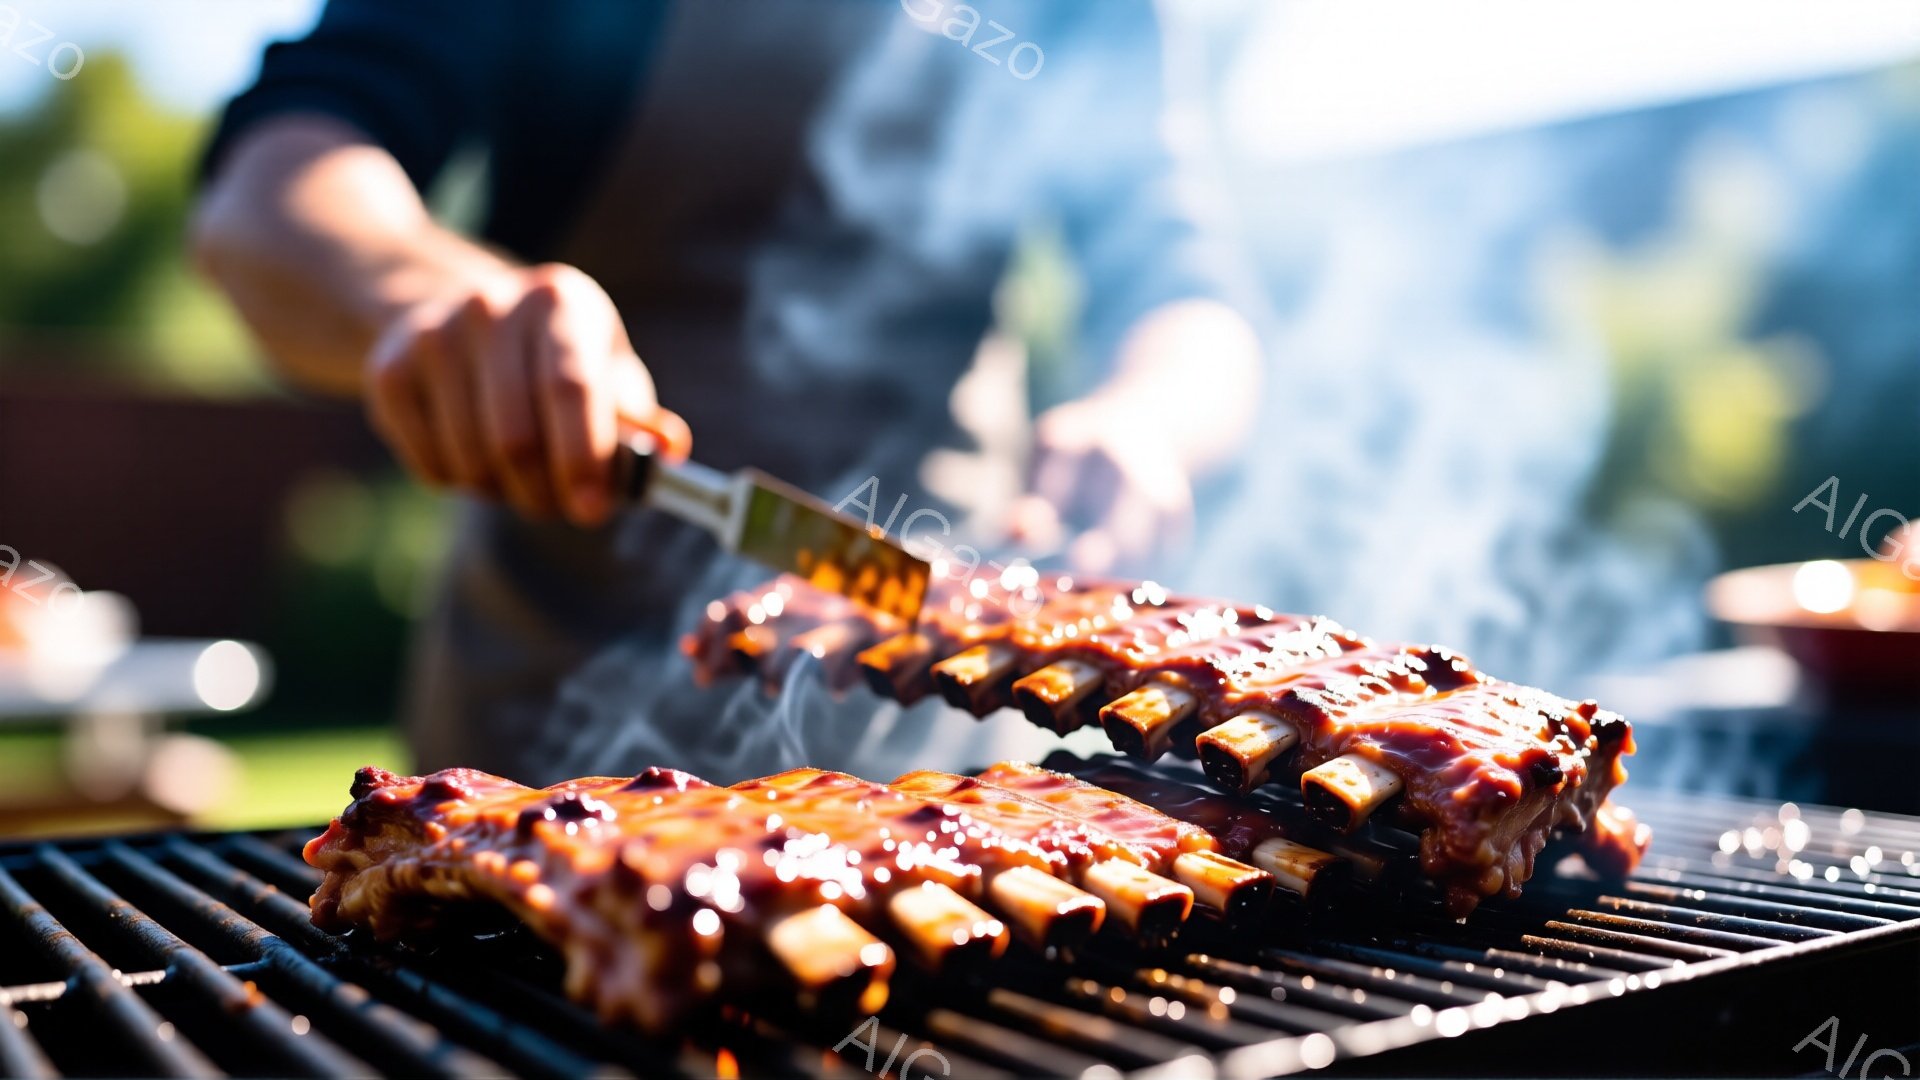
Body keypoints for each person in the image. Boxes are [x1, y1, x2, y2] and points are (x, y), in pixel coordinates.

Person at [194, 0, 1264, 784]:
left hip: (931, 729)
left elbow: (1188, 294)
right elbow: (268, 183)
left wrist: (1145, 422)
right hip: (546, 727)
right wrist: (431, 296)